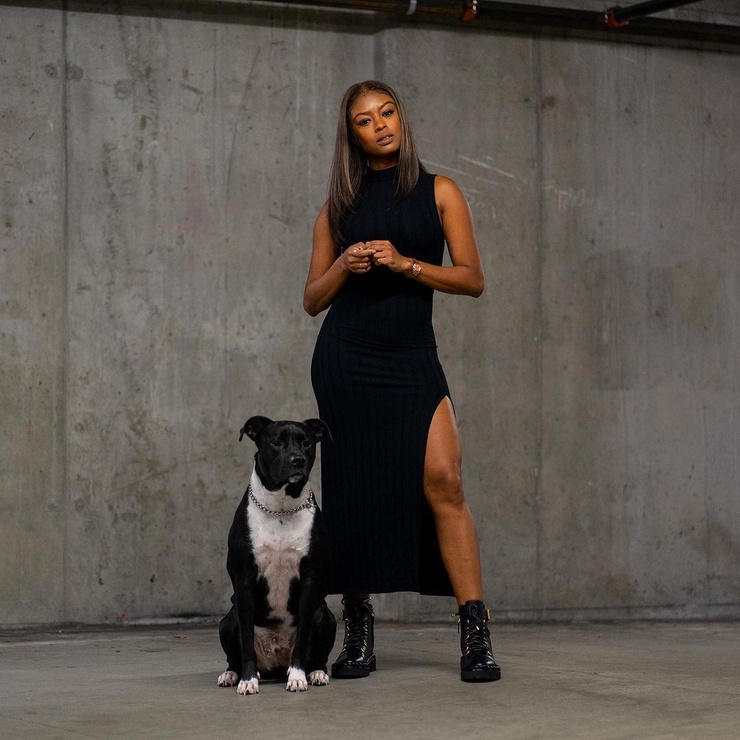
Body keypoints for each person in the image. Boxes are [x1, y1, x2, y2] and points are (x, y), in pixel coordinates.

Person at [303, 80, 501, 683]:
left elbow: (472, 279)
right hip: (347, 358)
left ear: (401, 118)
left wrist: (406, 264)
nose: (381, 125)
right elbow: (312, 299)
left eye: (387, 112)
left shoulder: (441, 191)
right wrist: (345, 263)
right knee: (354, 492)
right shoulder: (338, 207)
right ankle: (358, 630)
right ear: (353, 135)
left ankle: (475, 633)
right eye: (365, 120)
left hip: (412, 357)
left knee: (445, 480)